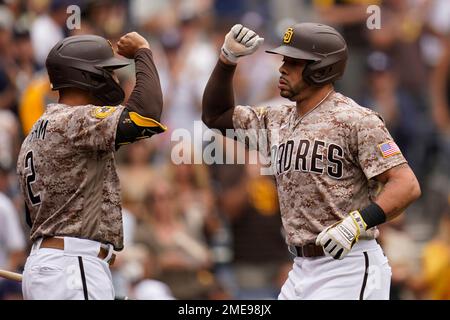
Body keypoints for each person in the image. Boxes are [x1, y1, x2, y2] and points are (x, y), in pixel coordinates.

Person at [202, 23, 421, 299]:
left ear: (322, 68)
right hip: (301, 268)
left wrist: (357, 223)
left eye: (293, 62)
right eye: (284, 60)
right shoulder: (276, 120)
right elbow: (216, 115)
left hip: (349, 265)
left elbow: (406, 185)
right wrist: (226, 60)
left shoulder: (356, 119)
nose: (282, 68)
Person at [17, 32, 166, 300]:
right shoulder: (75, 120)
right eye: (108, 71)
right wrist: (143, 51)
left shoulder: (39, 129)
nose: (115, 79)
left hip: (53, 265)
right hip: (74, 265)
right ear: (88, 75)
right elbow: (146, 116)